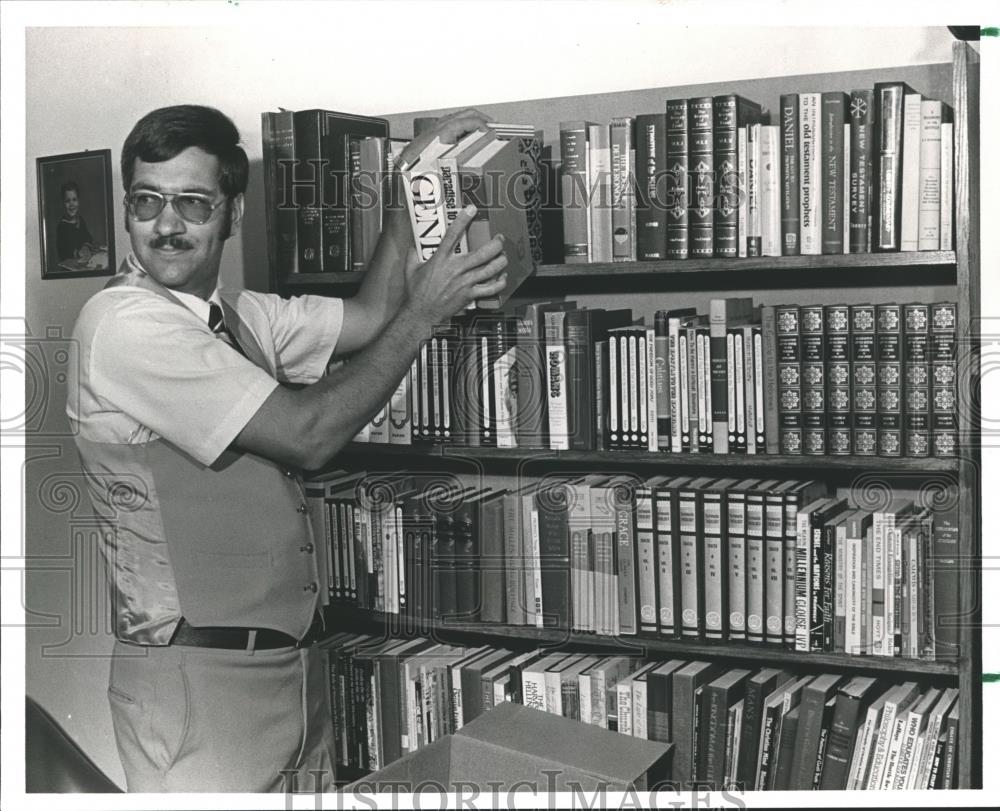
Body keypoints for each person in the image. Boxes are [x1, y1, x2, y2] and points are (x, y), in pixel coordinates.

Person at [66, 104, 507, 793]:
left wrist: (403, 188)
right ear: (127, 210)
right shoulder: (122, 323)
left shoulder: (240, 315)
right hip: (198, 685)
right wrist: (426, 314)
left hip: (291, 672)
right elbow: (309, 434)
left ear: (233, 214)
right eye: (147, 202)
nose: (168, 225)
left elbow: (366, 319)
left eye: (193, 203)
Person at [55, 180, 97, 262]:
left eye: (74, 200)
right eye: (67, 201)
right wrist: (77, 253)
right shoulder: (61, 227)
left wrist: (86, 246)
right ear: (62, 203)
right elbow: (63, 252)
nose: (71, 204)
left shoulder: (80, 220)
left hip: (83, 261)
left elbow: (88, 237)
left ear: (79, 201)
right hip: (69, 266)